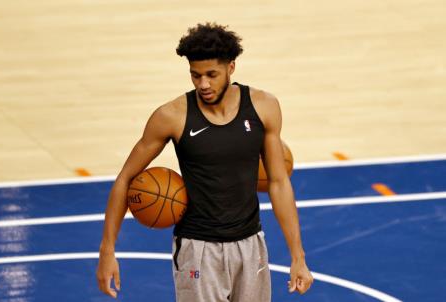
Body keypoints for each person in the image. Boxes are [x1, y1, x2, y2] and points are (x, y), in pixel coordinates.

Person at [96, 22, 313, 301]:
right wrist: (107, 250)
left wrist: (298, 256)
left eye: (211, 75)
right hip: (197, 249)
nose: (203, 84)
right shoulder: (172, 116)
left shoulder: (263, 107)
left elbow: (278, 182)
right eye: (195, 76)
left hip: (250, 245)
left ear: (231, 68)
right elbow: (125, 179)